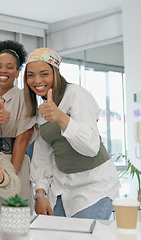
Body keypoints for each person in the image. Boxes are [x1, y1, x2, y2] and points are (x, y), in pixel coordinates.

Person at [24, 48, 120, 219]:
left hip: (94, 186)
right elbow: (43, 157)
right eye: (30, 75)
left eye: (44, 73)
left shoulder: (75, 94)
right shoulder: (41, 110)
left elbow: (91, 146)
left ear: (56, 72)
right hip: (62, 186)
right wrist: (40, 194)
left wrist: (60, 116)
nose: (37, 80)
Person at [0, 40, 36, 208]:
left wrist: (11, 178)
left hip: (15, 164)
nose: (3, 71)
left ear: (18, 73)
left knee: (15, 217)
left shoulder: (26, 98)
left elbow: (22, 141)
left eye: (10, 67)